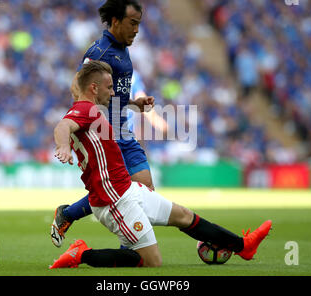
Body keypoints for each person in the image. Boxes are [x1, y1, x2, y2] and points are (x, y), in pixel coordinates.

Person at [50, 60, 272, 268]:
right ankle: (80, 254)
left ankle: (243, 246)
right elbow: (63, 126)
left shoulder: (93, 107)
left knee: (184, 216)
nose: (113, 91)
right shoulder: (83, 110)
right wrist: (63, 146)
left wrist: (134, 104)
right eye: (109, 87)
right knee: (151, 261)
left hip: (127, 188)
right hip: (113, 201)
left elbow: (88, 106)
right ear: (94, 88)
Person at [51, 0, 160, 248]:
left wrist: (134, 103)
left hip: (123, 129)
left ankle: (69, 214)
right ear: (115, 21)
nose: (136, 29)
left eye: (138, 24)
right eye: (132, 23)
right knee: (122, 194)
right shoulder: (100, 51)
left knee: (144, 192)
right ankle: (130, 253)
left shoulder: (122, 49)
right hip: (105, 135)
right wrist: (92, 122)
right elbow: (77, 88)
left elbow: (112, 94)